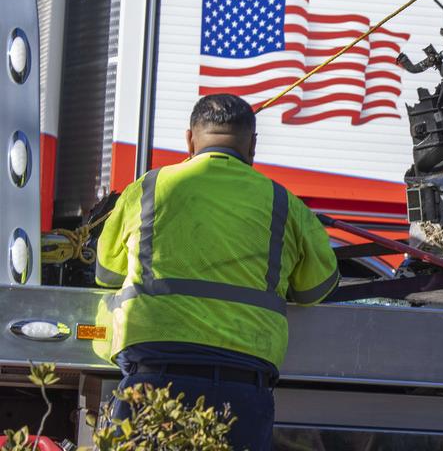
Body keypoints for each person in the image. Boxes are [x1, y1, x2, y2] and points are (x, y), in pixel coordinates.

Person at [95, 93, 339, 450]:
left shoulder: (148, 188)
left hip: (153, 372)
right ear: (252, 145)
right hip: (241, 383)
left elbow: (106, 273)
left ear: (190, 140)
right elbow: (316, 288)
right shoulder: (283, 203)